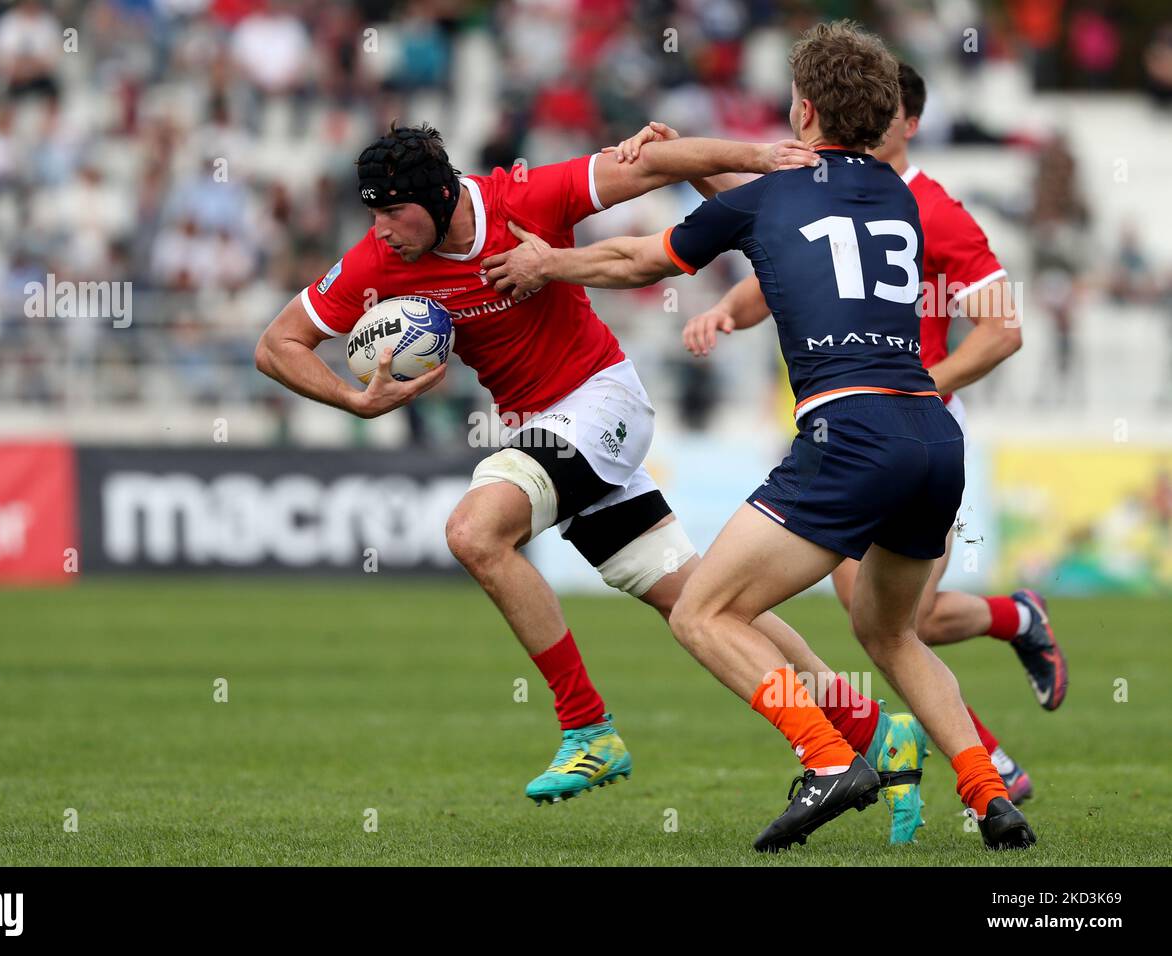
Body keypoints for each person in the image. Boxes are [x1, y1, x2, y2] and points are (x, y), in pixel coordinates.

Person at [255, 122, 929, 839]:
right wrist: (354, 399)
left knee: (474, 533)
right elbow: (277, 346)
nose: (381, 231)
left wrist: (758, 156)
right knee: (706, 606)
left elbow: (651, 166)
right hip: (548, 436)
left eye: (392, 212)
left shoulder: (524, 197)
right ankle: (874, 733)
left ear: (438, 196)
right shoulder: (377, 263)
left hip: (601, 403)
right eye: (372, 215)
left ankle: (588, 727)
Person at [483, 21, 1036, 852]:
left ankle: (825, 759)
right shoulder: (898, 193)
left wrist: (547, 265)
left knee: (704, 613)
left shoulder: (778, 189)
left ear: (803, 109)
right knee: (890, 635)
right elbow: (780, 226)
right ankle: (991, 795)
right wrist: (714, 177)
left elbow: (646, 261)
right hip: (932, 434)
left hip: (849, 433)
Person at [627, 62, 1065, 806]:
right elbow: (788, 254)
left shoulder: (935, 209)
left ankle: (962, 729)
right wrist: (731, 311)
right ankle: (985, 755)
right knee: (885, 623)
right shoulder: (817, 189)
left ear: (908, 122)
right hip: (846, 425)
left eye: (882, 110)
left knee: (889, 620)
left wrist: (927, 384)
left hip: (902, 421)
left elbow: (1004, 329)